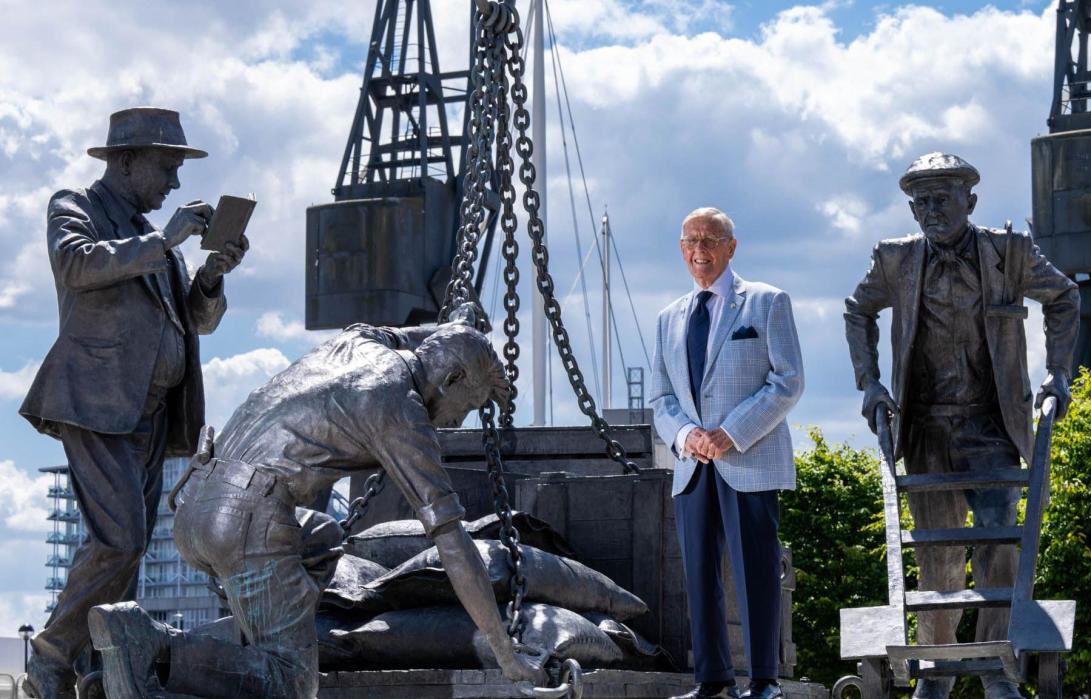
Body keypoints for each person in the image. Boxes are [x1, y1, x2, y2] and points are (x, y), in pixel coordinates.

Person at [87, 320, 547, 699]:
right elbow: (451, 541)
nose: (457, 422)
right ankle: (154, 643)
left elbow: (419, 340)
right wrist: (503, 651)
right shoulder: (400, 411)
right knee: (291, 683)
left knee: (323, 538)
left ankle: (199, 659)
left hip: (196, 506)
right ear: (450, 380)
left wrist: (457, 326)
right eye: (466, 406)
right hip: (249, 520)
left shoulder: (361, 340)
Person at [18, 106, 247, 699]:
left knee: (131, 544)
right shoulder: (77, 206)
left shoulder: (161, 247)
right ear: (125, 161)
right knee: (119, 538)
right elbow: (74, 264)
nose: (174, 183)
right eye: (167, 167)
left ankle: (99, 663)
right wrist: (163, 238)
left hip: (150, 414)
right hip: (95, 404)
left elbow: (198, 320)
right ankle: (50, 655)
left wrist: (212, 275)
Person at [843, 153, 1079, 699]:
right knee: (935, 555)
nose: (931, 212)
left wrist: (1058, 374)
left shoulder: (1009, 252)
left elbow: (1064, 297)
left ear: (969, 202)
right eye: (921, 202)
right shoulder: (895, 259)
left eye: (942, 200)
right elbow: (858, 310)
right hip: (926, 429)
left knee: (1000, 542)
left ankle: (996, 669)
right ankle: (936, 674)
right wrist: (870, 383)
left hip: (992, 424)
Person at [651, 207, 804, 699]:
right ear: (681, 248)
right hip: (692, 465)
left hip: (750, 458)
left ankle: (764, 680)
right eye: (691, 240)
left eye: (710, 239)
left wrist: (730, 433)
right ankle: (712, 681)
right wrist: (686, 437)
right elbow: (660, 399)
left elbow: (788, 382)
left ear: (730, 248)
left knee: (756, 570)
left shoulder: (766, 302)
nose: (700, 249)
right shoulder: (667, 318)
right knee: (699, 575)